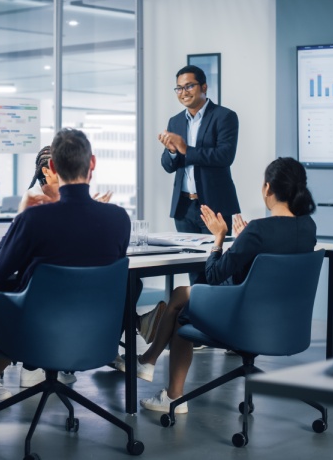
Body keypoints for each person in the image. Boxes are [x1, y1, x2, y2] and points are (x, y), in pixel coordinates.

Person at [0, 128, 131, 411]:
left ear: (52, 167)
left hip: (36, 332)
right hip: (96, 331)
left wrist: (22, 216)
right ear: (92, 163)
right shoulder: (119, 219)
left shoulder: (35, 218)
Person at [120, 157, 317, 414]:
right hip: (285, 324)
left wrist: (219, 239)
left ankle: (169, 391)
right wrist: (246, 243)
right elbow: (271, 267)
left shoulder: (257, 231)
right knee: (182, 295)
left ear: (267, 188)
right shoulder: (308, 228)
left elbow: (212, 275)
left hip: (244, 321)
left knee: (182, 311)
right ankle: (148, 362)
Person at [16, 145, 113, 389]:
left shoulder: (70, 200)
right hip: (47, 291)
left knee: (129, 285)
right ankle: (34, 365)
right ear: (48, 171)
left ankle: (63, 358)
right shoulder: (34, 202)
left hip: (65, 290)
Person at [159, 64, 240, 239]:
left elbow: (225, 156)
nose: (184, 92)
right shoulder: (175, 121)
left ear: (204, 87)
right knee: (188, 262)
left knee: (215, 261)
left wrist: (186, 149)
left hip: (214, 206)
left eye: (189, 86)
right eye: (179, 88)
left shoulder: (224, 116)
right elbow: (168, 166)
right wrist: (172, 151)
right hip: (183, 207)